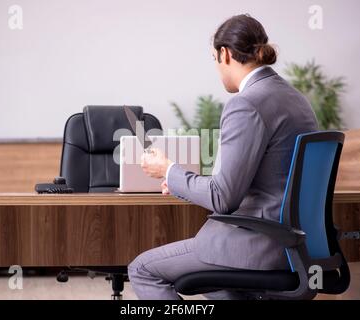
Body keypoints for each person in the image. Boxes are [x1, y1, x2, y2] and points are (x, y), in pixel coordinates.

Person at [128, 13, 318, 300]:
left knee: (143, 269)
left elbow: (222, 198)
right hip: (294, 245)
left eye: (214, 59)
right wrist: (179, 183)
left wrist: (168, 171)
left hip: (256, 247)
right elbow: (251, 184)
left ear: (225, 54)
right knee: (222, 292)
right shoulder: (295, 99)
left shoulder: (246, 104)